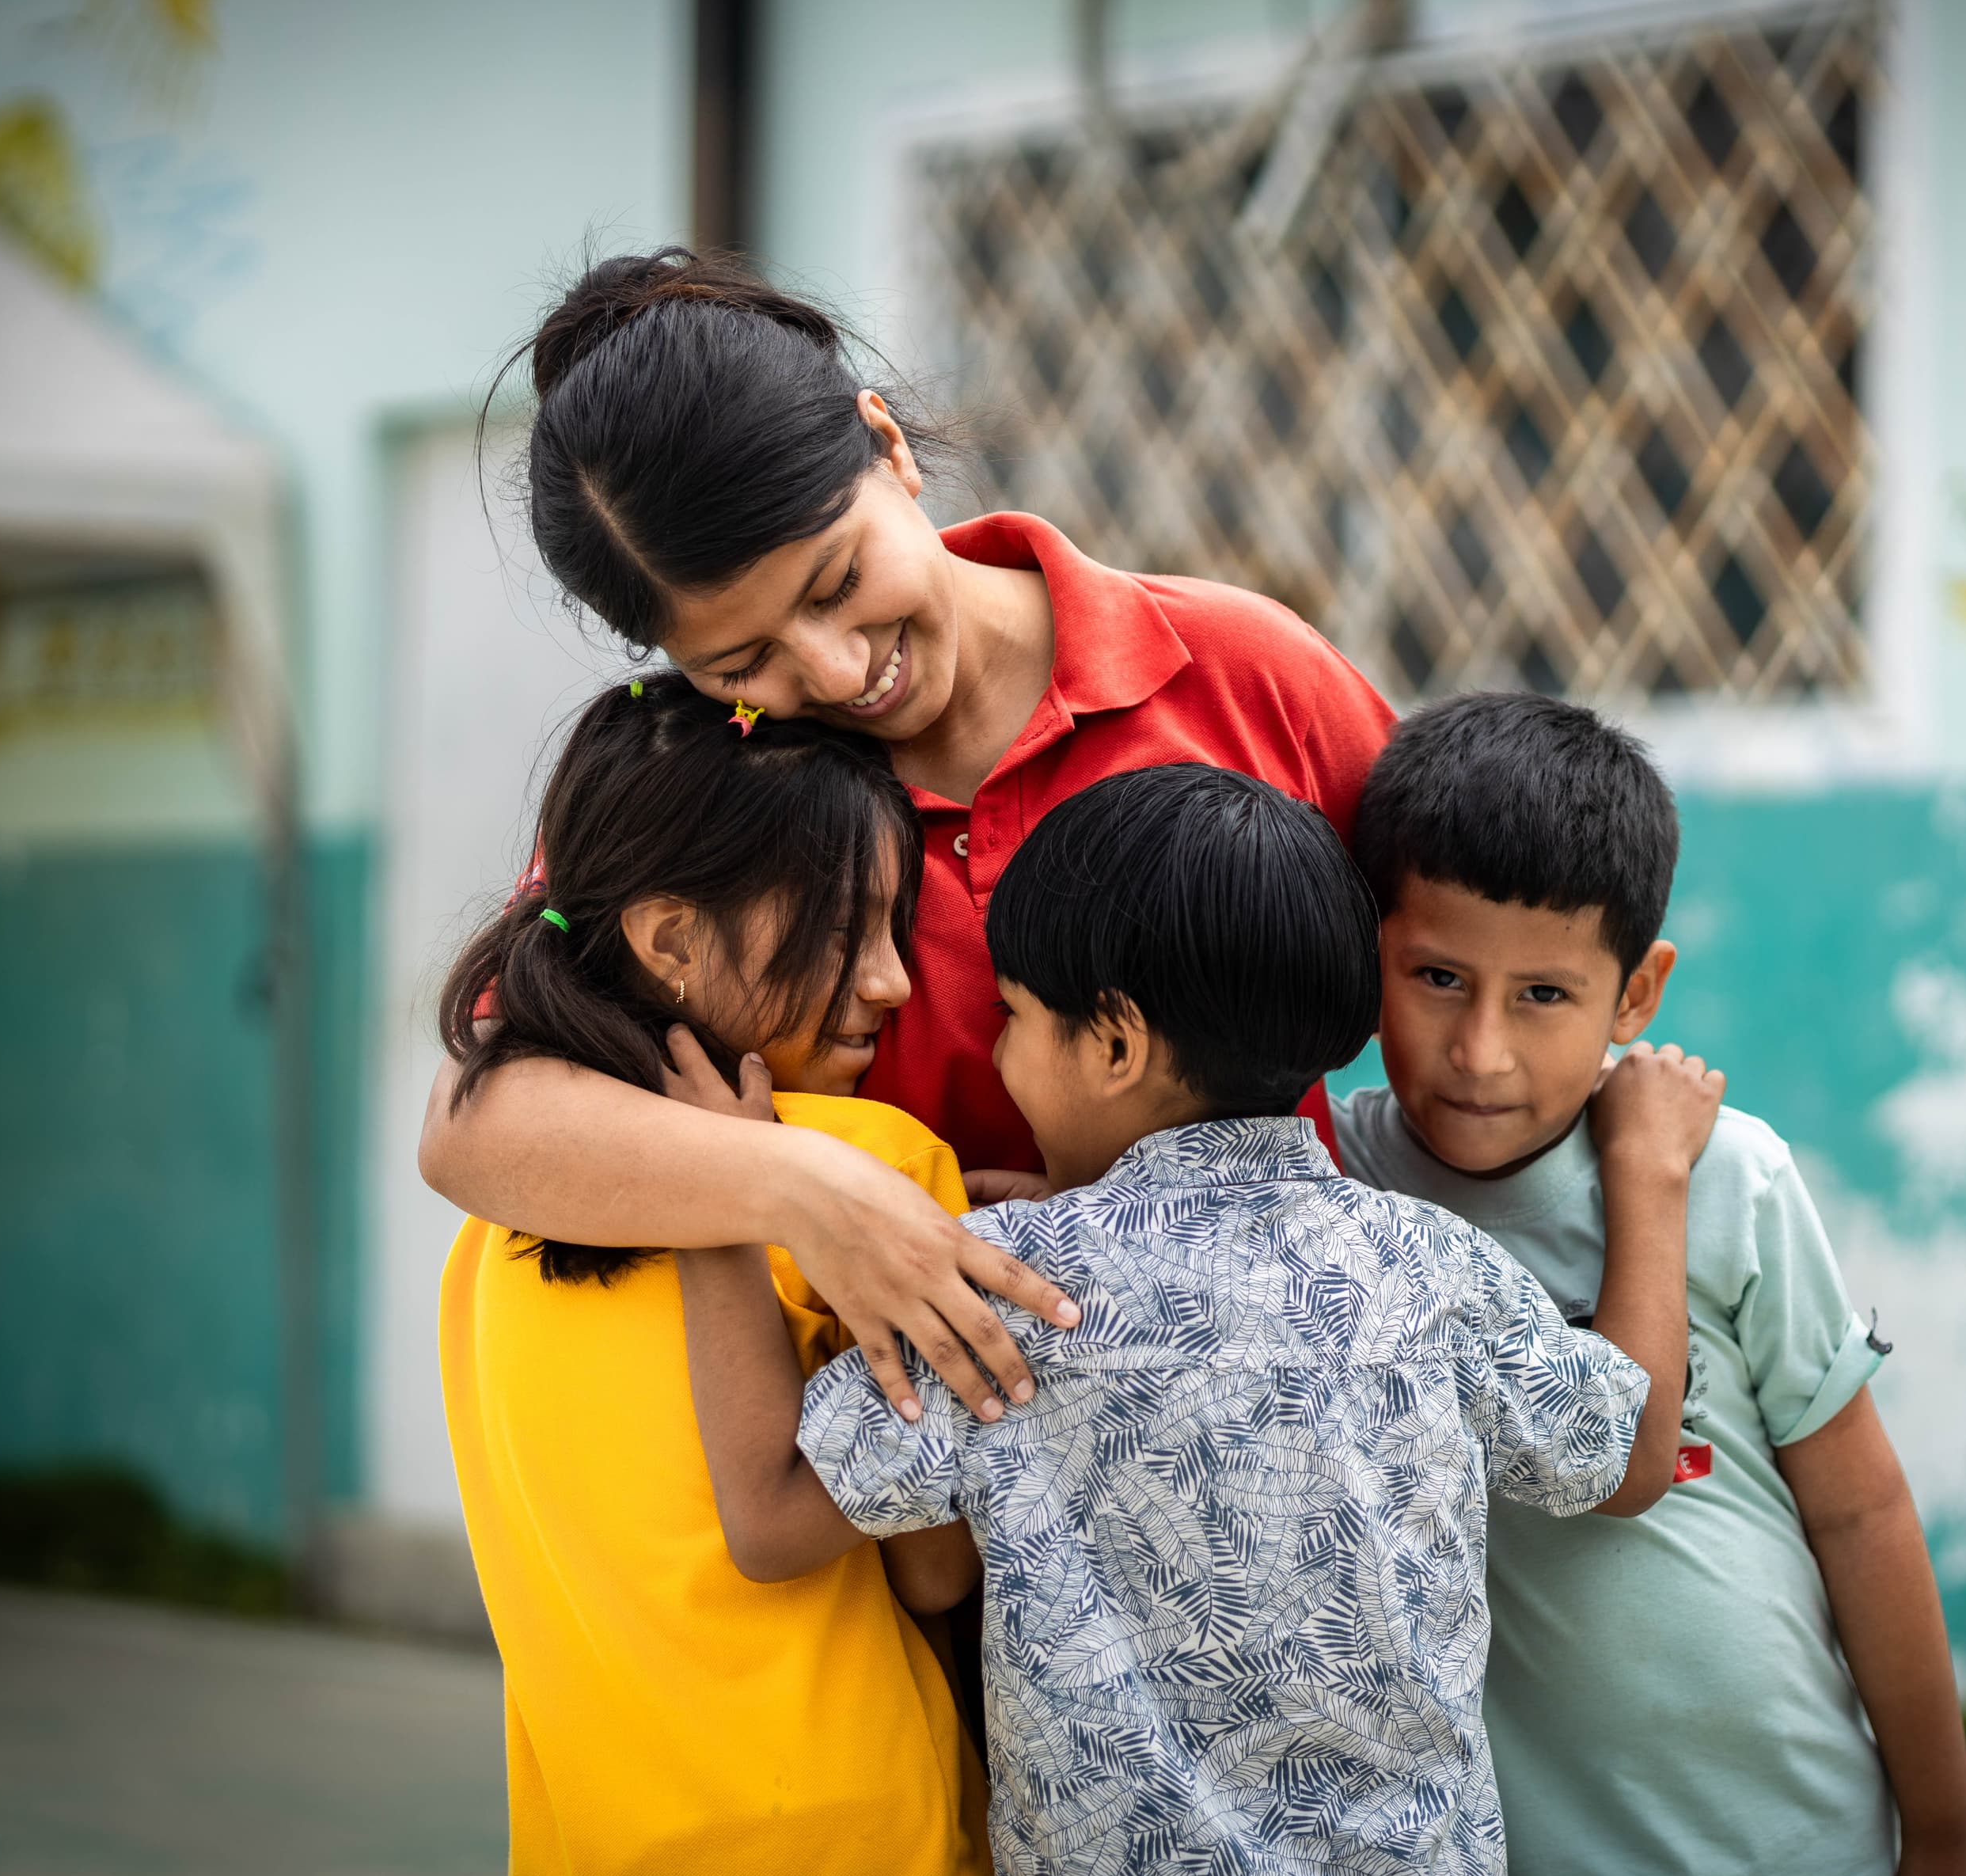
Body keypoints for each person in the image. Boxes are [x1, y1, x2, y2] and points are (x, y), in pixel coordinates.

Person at [666, 764, 1721, 1876]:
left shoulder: (1010, 1289)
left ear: (1113, 1043)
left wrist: (720, 1198)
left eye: (1013, 1017)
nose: (1003, 1057)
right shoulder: (1432, 1270)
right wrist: (1652, 1177)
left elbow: (770, 1522)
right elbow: (1626, 1460)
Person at [418, 249, 1395, 1426]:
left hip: (1290, 1477)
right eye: (742, 662)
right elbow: (479, 1124)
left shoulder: (1236, 670)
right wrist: (810, 1191)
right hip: (916, 1556)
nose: (833, 672)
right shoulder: (709, 786)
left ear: (887, 444)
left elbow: (1477, 978)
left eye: (835, 582)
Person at [1332, 693, 1966, 1876]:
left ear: (1636, 993)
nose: (1480, 1050)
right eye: (1436, 977)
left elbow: (1859, 1509)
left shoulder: (1725, 1173)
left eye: (1543, 995)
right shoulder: (1333, 1190)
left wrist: (1948, 1839)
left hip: (1791, 1874)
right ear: (1366, 950)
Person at [433, 680, 996, 1876]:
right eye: (848, 932)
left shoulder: (488, 1233)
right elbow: (938, 1567)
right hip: (858, 1861)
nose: (896, 982)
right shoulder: (872, 1171)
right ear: (671, 939)